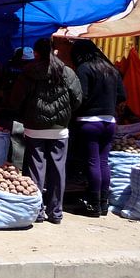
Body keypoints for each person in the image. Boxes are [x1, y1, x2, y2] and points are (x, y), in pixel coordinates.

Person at [10, 38, 82, 224]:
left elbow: (17, 98)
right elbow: (77, 99)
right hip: (60, 129)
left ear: (36, 53)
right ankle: (56, 213)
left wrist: (23, 112)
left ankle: (37, 211)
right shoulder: (68, 72)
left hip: (35, 127)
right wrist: (64, 114)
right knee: (58, 169)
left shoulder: (29, 72)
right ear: (54, 51)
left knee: (36, 168)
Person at [70, 40, 127, 217]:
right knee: (103, 161)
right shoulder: (111, 69)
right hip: (109, 122)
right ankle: (104, 204)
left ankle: (94, 204)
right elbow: (122, 96)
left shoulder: (84, 69)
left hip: (89, 122)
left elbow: (82, 96)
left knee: (93, 161)